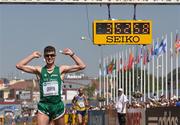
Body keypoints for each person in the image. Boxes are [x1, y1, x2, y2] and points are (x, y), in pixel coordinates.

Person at [16, 46, 86, 125]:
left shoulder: (60, 70)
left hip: (57, 106)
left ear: (55, 56)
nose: (50, 57)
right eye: (47, 55)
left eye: (52, 55)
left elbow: (82, 66)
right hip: (44, 106)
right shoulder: (39, 70)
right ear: (44, 57)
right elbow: (19, 65)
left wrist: (72, 54)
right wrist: (32, 56)